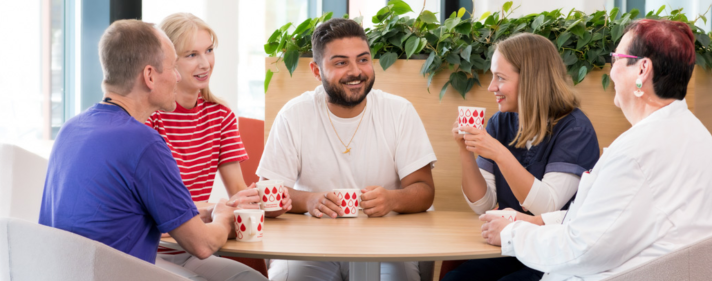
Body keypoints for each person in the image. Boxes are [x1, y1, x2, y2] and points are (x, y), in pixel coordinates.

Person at [479, 19, 712, 280]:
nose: (611, 71)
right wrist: (538, 222)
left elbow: (581, 250)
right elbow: (613, 218)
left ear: (642, 69)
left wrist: (511, 235)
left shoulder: (637, 152)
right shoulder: (695, 135)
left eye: (616, 59)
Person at [38, 19, 266, 281]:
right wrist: (224, 217)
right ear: (149, 76)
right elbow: (202, 245)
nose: (178, 76)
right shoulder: (144, 142)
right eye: (173, 67)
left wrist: (206, 211)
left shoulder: (71, 129)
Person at [256, 18, 437, 281]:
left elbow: (425, 190)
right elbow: (267, 194)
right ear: (316, 71)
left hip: (385, 245)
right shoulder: (293, 115)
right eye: (341, 63)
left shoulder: (399, 112)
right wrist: (309, 200)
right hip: (310, 246)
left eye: (363, 59)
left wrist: (392, 200)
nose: (356, 71)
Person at [443, 33, 600, 281]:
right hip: (510, 248)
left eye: (500, 78)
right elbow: (482, 204)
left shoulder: (575, 130)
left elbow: (547, 205)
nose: (491, 87)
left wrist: (498, 152)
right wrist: (465, 149)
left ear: (530, 80)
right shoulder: (500, 123)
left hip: (553, 253)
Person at [146, 13, 289, 280]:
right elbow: (153, 204)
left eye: (209, 50)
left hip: (196, 251)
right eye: (191, 55)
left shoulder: (220, 115)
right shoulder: (151, 116)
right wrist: (215, 208)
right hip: (154, 251)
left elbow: (237, 191)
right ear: (168, 61)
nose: (205, 63)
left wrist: (266, 204)